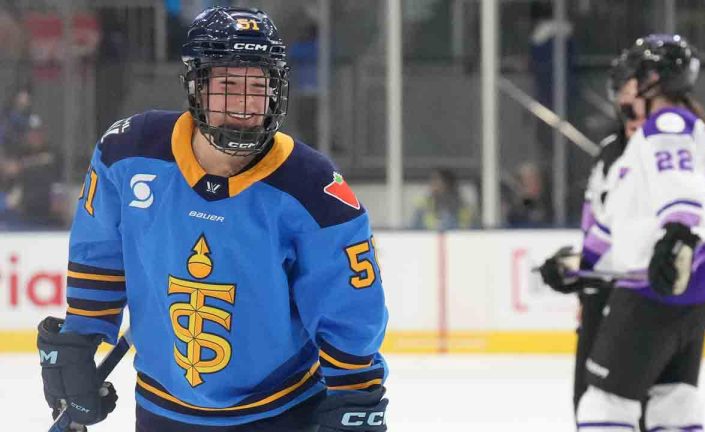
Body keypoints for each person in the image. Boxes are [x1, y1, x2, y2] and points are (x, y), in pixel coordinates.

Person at [36, 7, 389, 432]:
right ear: (196, 87)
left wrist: (355, 393)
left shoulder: (314, 190)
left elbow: (349, 308)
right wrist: (81, 337)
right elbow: (100, 256)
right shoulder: (126, 154)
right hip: (162, 410)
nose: (243, 104)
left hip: (282, 411)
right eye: (227, 85)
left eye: (258, 86)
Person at [575, 34, 705, 431]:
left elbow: (681, 191)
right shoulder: (671, 132)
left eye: (632, 76)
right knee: (674, 405)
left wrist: (677, 236)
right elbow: (626, 220)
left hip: (652, 291)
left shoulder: (667, 123)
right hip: (689, 293)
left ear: (651, 80)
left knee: (605, 407)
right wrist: (580, 268)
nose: (622, 87)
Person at [538, 48, 645, 415]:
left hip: (642, 301)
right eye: (623, 91)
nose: (629, 100)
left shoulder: (668, 151)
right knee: (588, 407)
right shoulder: (610, 150)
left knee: (624, 410)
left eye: (638, 90)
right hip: (602, 296)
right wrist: (580, 267)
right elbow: (601, 225)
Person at [412, 168, 477, 230]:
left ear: (448, 185)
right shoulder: (423, 207)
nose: (433, 186)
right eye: (432, 182)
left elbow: (475, 232)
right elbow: (413, 231)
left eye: (437, 181)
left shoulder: (465, 208)